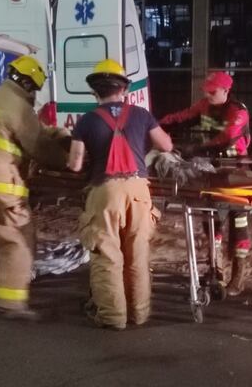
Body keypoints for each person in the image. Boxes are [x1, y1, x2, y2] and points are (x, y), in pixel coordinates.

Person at [0, 55, 69, 320]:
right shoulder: (20, 107)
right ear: (30, 85)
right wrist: (63, 156)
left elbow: (22, 133)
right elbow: (40, 148)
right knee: (16, 239)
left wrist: (48, 133)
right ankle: (9, 303)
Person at [68, 59, 173, 330]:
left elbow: (75, 164)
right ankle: (139, 314)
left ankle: (113, 317)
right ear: (124, 89)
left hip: (105, 192)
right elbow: (166, 144)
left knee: (108, 255)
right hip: (139, 190)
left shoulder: (86, 121)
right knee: (136, 254)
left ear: (95, 92)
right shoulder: (141, 114)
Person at [158, 71, 252, 296]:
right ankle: (215, 269)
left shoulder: (238, 111)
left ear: (226, 91)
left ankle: (238, 276)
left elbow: (227, 137)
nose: (208, 95)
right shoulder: (204, 106)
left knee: (238, 223)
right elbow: (181, 118)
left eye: (213, 92)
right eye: (206, 91)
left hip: (236, 171)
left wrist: (198, 149)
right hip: (211, 169)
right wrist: (156, 126)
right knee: (211, 221)